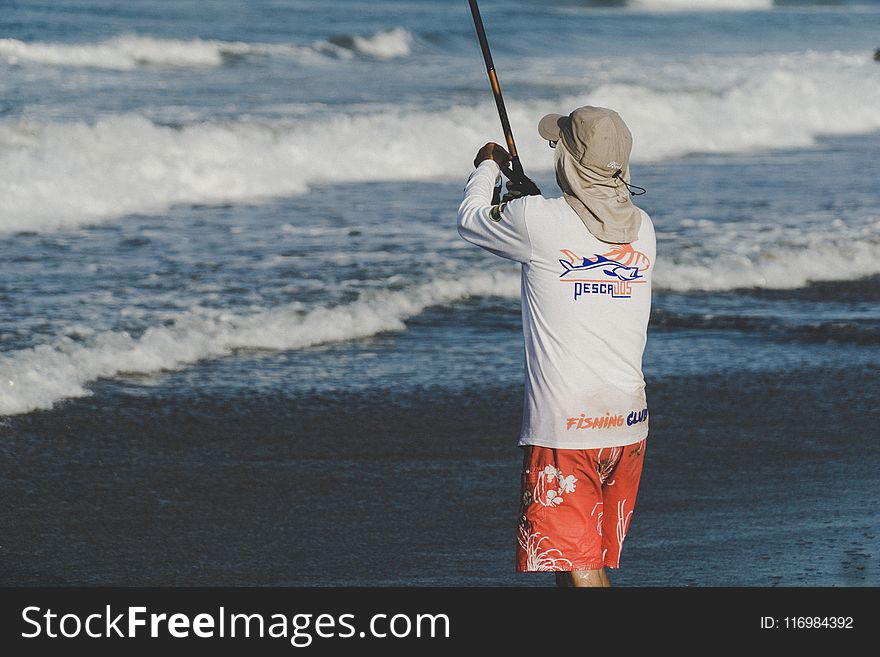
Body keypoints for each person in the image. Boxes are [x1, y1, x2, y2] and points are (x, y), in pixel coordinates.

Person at [457, 106, 656, 587]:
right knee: (585, 560)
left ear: (570, 156)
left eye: (558, 146)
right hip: (627, 426)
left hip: (567, 427)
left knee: (577, 566)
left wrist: (486, 164)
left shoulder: (535, 220)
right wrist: (536, 203)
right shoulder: (643, 227)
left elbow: (470, 220)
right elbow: (579, 235)